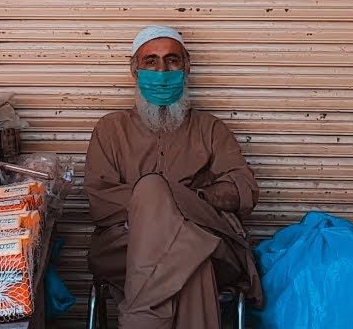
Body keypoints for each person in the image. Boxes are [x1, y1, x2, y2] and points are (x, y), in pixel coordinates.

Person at [84, 25, 262, 329]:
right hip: (126, 246)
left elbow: (244, 188)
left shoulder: (210, 129)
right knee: (191, 258)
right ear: (135, 71)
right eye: (150, 62)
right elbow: (100, 201)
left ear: (186, 67)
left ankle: (141, 319)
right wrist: (169, 204)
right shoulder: (110, 129)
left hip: (209, 242)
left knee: (183, 234)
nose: (162, 71)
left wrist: (179, 201)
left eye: (172, 60)